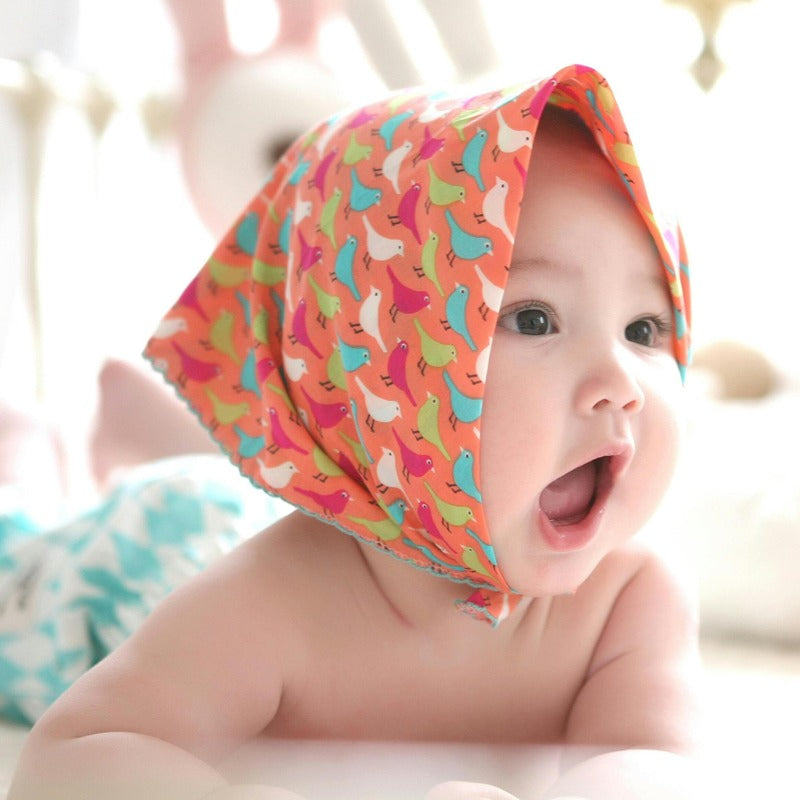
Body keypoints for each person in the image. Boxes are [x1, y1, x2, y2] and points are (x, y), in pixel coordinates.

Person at [9, 63, 701, 799]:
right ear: (383, 367)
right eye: (534, 319)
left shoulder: (630, 597)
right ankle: (30, 451)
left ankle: (145, 429)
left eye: (644, 328)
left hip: (315, 493)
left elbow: (657, 763)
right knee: (22, 541)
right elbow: (67, 756)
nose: (621, 385)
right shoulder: (275, 602)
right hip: (151, 545)